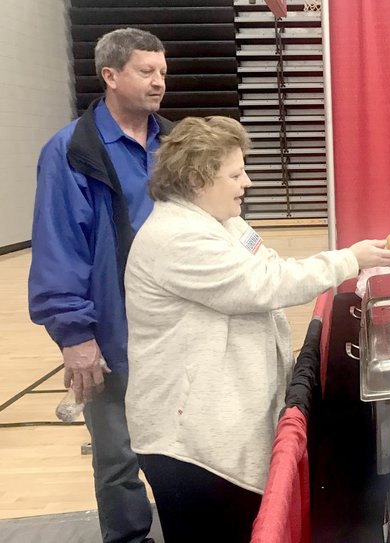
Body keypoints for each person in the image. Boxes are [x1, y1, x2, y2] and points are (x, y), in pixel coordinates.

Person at [123, 115, 390, 542]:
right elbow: (263, 284)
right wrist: (350, 259)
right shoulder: (175, 237)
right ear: (199, 180)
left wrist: (351, 259)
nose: (248, 182)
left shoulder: (224, 223)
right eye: (235, 174)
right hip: (188, 447)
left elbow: (271, 264)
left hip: (216, 428)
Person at [28, 28, 170, 543]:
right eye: (145, 71)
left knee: (179, 454)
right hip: (111, 336)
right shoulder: (71, 152)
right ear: (110, 76)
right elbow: (58, 246)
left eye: (162, 70)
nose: (159, 82)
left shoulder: (174, 144)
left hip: (174, 335)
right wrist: (74, 336)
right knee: (117, 460)